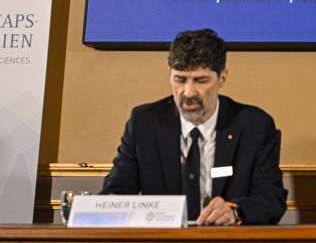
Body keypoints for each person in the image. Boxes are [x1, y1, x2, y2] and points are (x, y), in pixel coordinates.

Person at [101, 29, 287, 225]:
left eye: (200, 81)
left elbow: (271, 199)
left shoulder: (254, 126)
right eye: (180, 80)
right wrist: (111, 205)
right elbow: (116, 191)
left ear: (222, 78)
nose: (188, 93)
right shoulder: (144, 123)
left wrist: (235, 212)